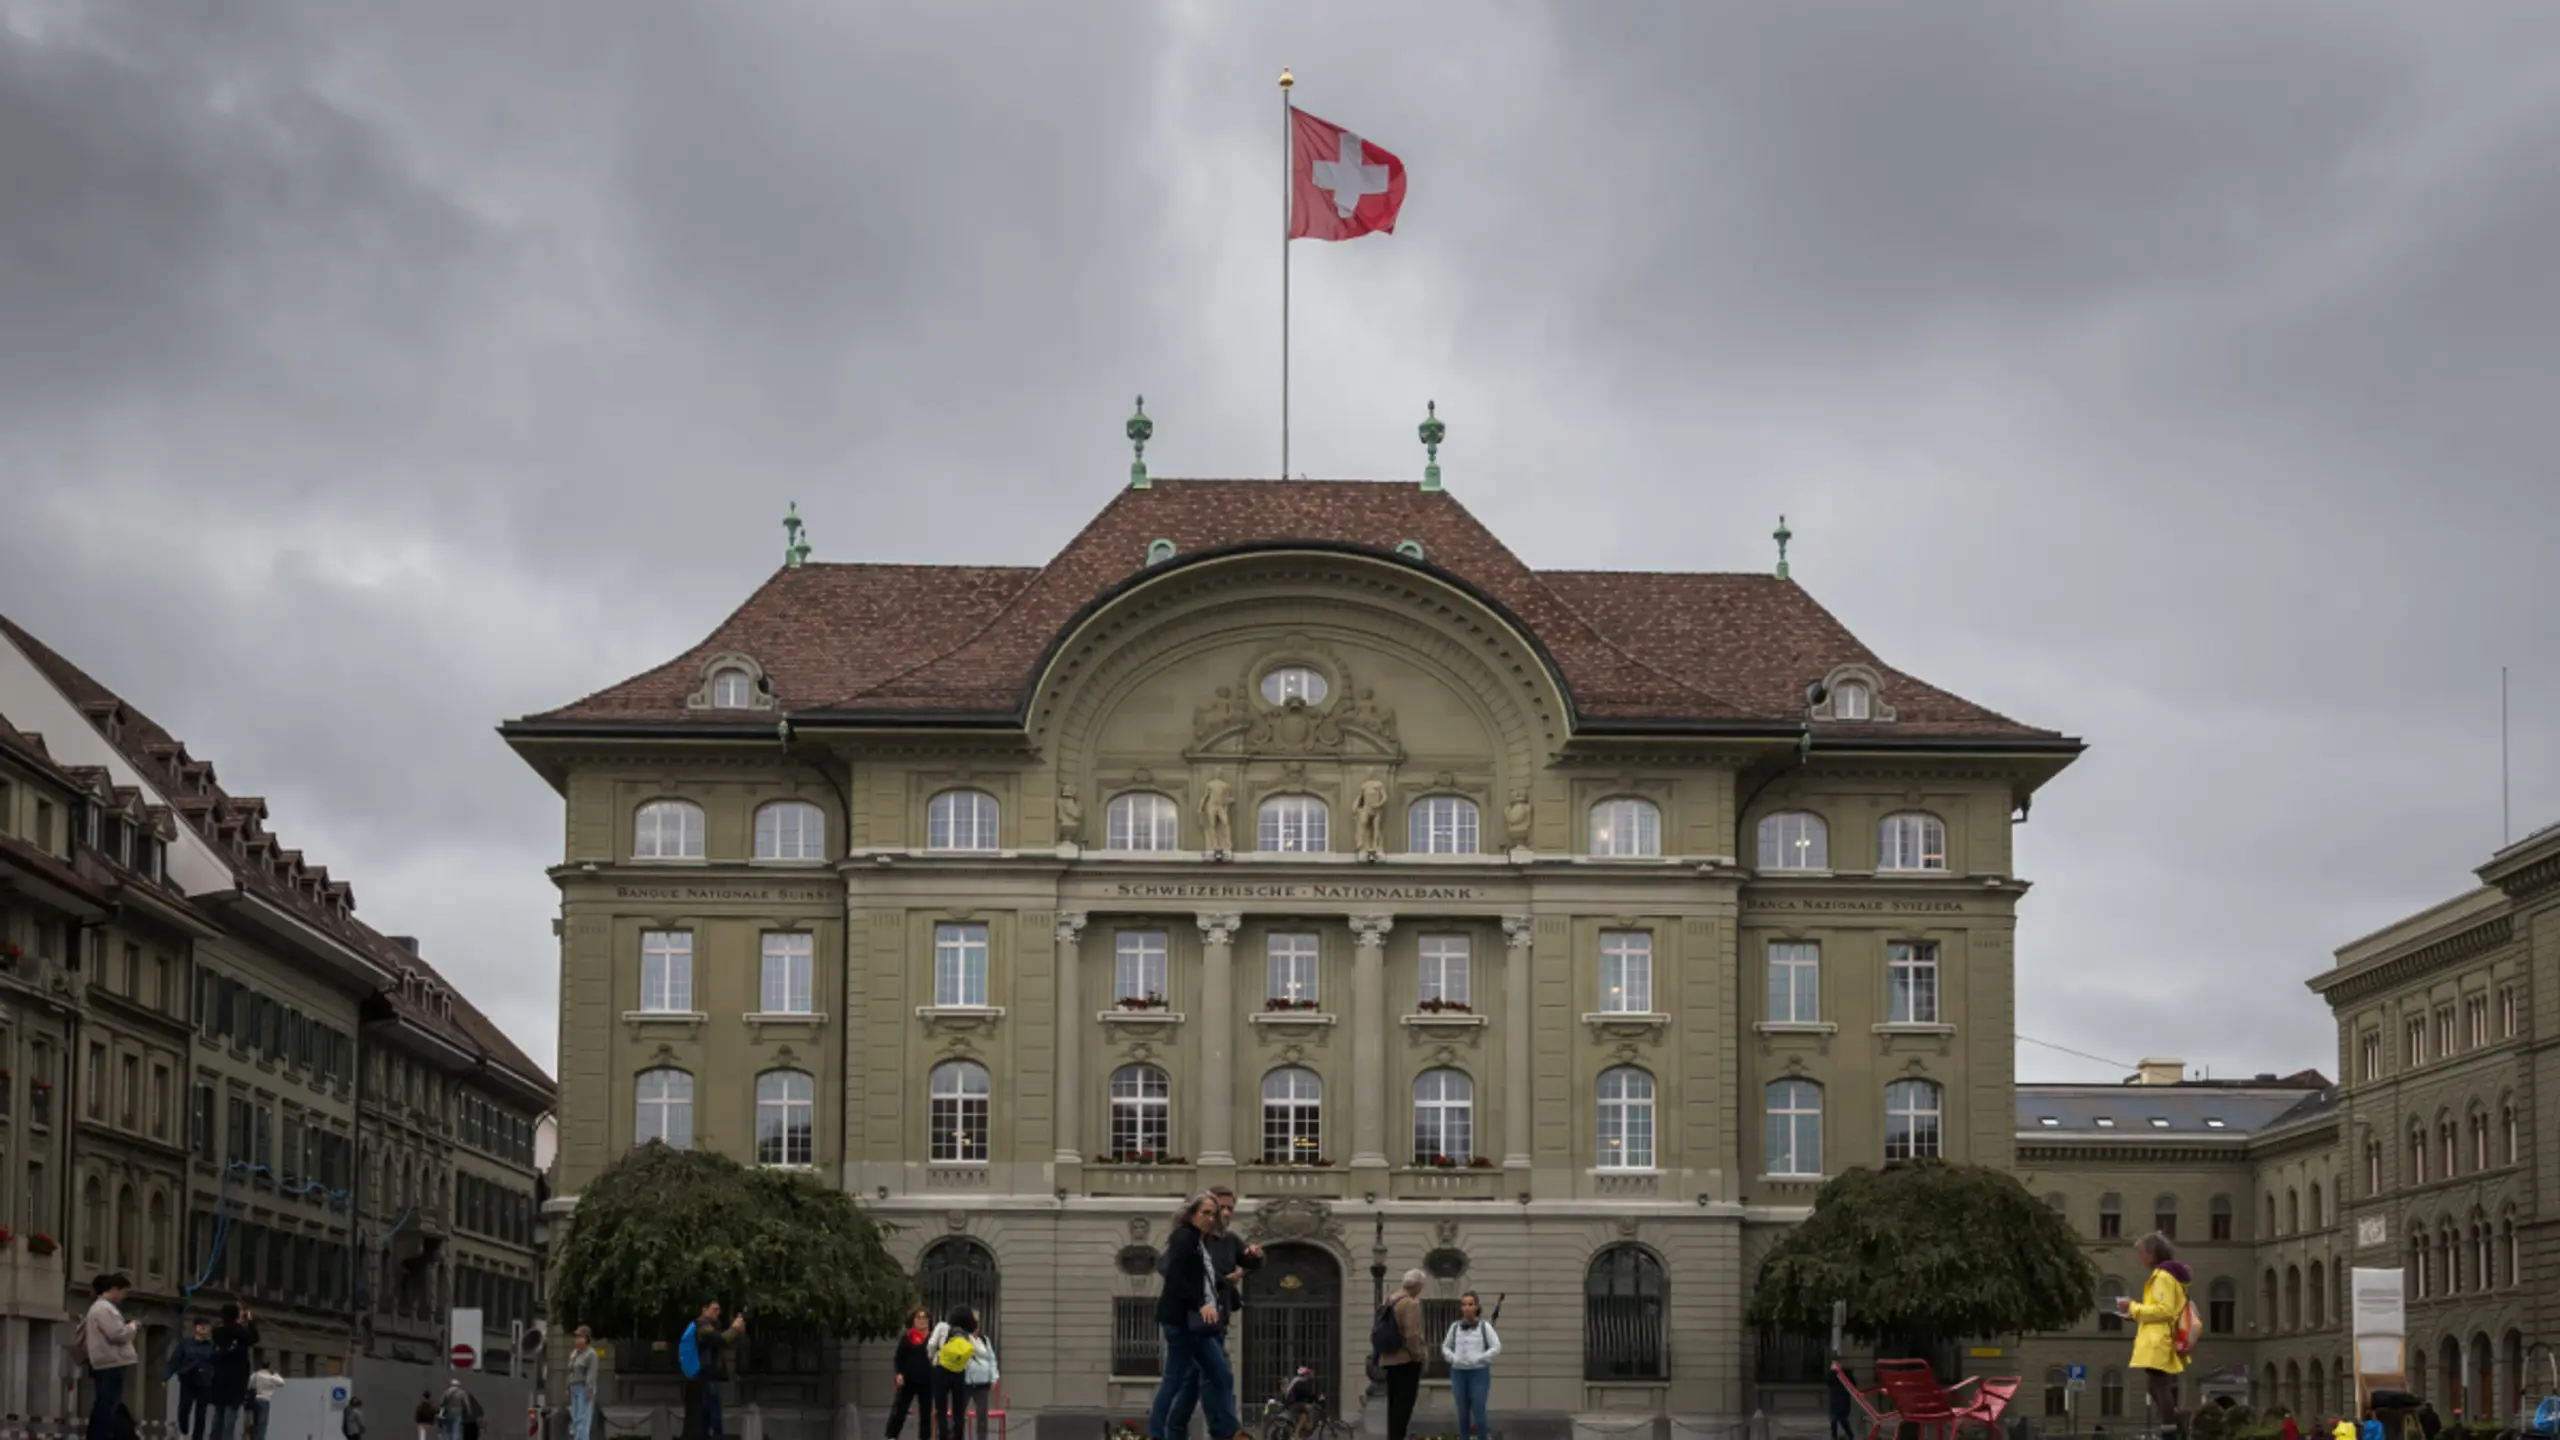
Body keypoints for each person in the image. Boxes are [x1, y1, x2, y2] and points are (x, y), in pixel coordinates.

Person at [1160, 1189, 1262, 1440]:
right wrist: (1220, 1281)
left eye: (1229, 1209)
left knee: (1191, 1385)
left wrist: (1256, 1256)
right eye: (1220, 1208)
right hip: (1192, 1323)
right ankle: (1227, 1433)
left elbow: (1250, 1262)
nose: (1225, 1214)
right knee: (1217, 1376)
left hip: (1217, 1321)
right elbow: (1167, 1268)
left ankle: (1173, 1433)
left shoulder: (1228, 1240)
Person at [2112, 1231, 2193, 1440]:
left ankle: (2170, 1429)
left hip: (2160, 1339)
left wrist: (2133, 1307)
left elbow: (2164, 1310)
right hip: (2160, 1337)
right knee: (2155, 1386)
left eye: (2142, 1253)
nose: (2141, 1258)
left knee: (2161, 1385)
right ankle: (2173, 1422)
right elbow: (2160, 1308)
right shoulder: (2165, 1276)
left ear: (2152, 1254)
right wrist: (2135, 1312)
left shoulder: (2163, 1277)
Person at [77, 1273, 141, 1440]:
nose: (124, 1296)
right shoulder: (103, 1309)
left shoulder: (100, 1308)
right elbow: (117, 1334)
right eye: (123, 1291)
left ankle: (106, 1434)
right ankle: (100, 1436)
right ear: (113, 1290)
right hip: (111, 1362)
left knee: (107, 1403)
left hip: (106, 1362)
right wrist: (132, 1327)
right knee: (107, 1404)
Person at [677, 1301, 745, 1440]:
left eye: (719, 1310)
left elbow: (724, 1342)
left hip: (700, 1378)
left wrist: (736, 1332)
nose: (717, 1312)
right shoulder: (702, 1325)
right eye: (715, 1309)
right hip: (701, 1378)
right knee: (712, 1416)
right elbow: (720, 1339)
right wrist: (735, 1329)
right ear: (704, 1309)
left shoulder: (706, 1326)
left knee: (704, 1419)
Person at [1440, 1291, 1501, 1440]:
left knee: (1478, 1408)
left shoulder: (1484, 1327)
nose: (1467, 1308)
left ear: (1476, 1307)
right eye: (1464, 1304)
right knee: (1462, 1410)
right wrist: (1453, 1358)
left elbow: (1496, 1347)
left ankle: (1482, 1437)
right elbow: (1445, 1346)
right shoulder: (1455, 1327)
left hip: (1478, 1372)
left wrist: (1480, 1358)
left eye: (1470, 1304)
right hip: (1459, 1372)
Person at [1374, 1270, 1428, 1440]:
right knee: (1404, 1407)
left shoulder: (1390, 1299)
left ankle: (1392, 1437)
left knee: (1393, 1404)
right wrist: (1418, 1355)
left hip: (1389, 1359)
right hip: (1406, 1360)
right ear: (1418, 1285)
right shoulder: (1410, 1303)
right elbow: (1411, 1334)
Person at [209, 1305, 261, 1440]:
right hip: (237, 1381)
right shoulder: (241, 1333)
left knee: (218, 1416)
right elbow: (254, 1338)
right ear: (237, 1316)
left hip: (220, 1379)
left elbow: (222, 1330)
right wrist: (249, 1321)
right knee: (230, 1418)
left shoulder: (217, 1332)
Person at [932, 1307, 980, 1440]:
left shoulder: (942, 1327)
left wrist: (932, 1359)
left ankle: (943, 1435)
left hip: (941, 1369)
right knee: (958, 1410)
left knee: (941, 1409)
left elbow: (931, 1344)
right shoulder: (967, 1335)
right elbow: (979, 1352)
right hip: (958, 1372)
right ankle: (958, 1436)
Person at [888, 1307, 935, 1440]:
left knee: (926, 1413)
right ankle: (892, 1435)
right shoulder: (907, 1337)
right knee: (900, 1410)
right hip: (908, 1380)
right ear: (913, 1320)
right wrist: (899, 1374)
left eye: (925, 1318)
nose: (922, 1321)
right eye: (918, 1318)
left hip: (927, 1380)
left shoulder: (932, 1338)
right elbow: (899, 1358)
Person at [167, 1318, 217, 1440]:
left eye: (206, 1326)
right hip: (188, 1380)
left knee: (201, 1413)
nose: (204, 1328)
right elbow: (175, 1359)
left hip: (205, 1382)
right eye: (201, 1326)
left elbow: (217, 1362)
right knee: (184, 1407)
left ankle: (197, 1437)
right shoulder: (186, 1343)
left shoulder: (212, 1346)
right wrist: (166, 1376)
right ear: (195, 1328)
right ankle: (184, 1430)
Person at [961, 1315, 1000, 1440]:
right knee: (958, 1414)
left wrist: (994, 1377)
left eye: (977, 1323)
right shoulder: (963, 1339)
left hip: (982, 1384)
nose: (976, 1326)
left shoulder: (984, 1339)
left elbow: (992, 1359)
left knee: (982, 1416)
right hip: (965, 1383)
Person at [566, 1328, 600, 1440]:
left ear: (586, 1339)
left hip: (584, 1388)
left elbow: (592, 1373)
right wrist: (568, 1387)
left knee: (583, 1418)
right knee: (575, 1418)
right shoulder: (574, 1353)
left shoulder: (591, 1354)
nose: (577, 1340)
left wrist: (589, 1389)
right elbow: (570, 1371)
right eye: (576, 1337)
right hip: (574, 1387)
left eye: (579, 1337)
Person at [1280, 1367, 1322, 1440]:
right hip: (1292, 1404)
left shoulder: (1300, 1381)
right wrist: (1317, 1398)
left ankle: (1299, 1434)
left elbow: (1306, 1395)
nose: (1311, 1375)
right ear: (1305, 1374)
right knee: (1309, 1409)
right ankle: (1307, 1427)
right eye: (1309, 1374)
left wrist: (1314, 1398)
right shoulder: (1299, 1382)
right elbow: (1306, 1393)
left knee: (1304, 1416)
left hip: (1296, 1404)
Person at [249, 1361, 286, 1440]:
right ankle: (259, 1438)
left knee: (256, 1421)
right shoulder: (270, 1377)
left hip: (256, 1399)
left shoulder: (256, 1374)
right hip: (265, 1400)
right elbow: (282, 1383)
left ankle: (253, 1437)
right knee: (263, 1422)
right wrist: (275, 1373)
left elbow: (250, 1384)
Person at [1827, 1365, 1859, 1440]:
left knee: (1835, 1420)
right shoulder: (1847, 1375)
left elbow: (1828, 1383)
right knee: (1841, 1420)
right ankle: (1850, 1436)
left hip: (1835, 1401)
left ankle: (1835, 1436)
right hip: (1842, 1401)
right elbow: (1854, 1386)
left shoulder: (1833, 1374)